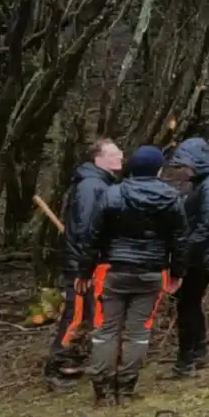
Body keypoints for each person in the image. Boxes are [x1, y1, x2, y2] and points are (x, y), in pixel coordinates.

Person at [87, 145, 185, 406]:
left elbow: (93, 236)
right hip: (152, 272)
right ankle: (126, 390)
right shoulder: (171, 198)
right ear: (159, 169)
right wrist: (177, 273)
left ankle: (103, 391)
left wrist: (85, 270)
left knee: (106, 330)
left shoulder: (112, 194)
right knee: (138, 332)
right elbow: (180, 239)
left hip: (114, 271)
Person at [45, 138, 122, 392]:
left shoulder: (101, 183)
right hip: (82, 263)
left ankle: (73, 361)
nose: (120, 155)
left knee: (88, 313)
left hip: (90, 261)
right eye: (114, 153)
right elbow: (85, 230)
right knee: (76, 315)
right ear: (98, 159)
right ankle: (57, 367)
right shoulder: (91, 187)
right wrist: (84, 269)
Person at [170, 137, 209, 378]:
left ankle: (187, 360)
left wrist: (184, 253)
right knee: (190, 303)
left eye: (186, 165)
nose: (184, 171)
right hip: (202, 254)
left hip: (204, 257)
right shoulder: (204, 182)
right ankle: (199, 352)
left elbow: (206, 228)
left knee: (187, 304)